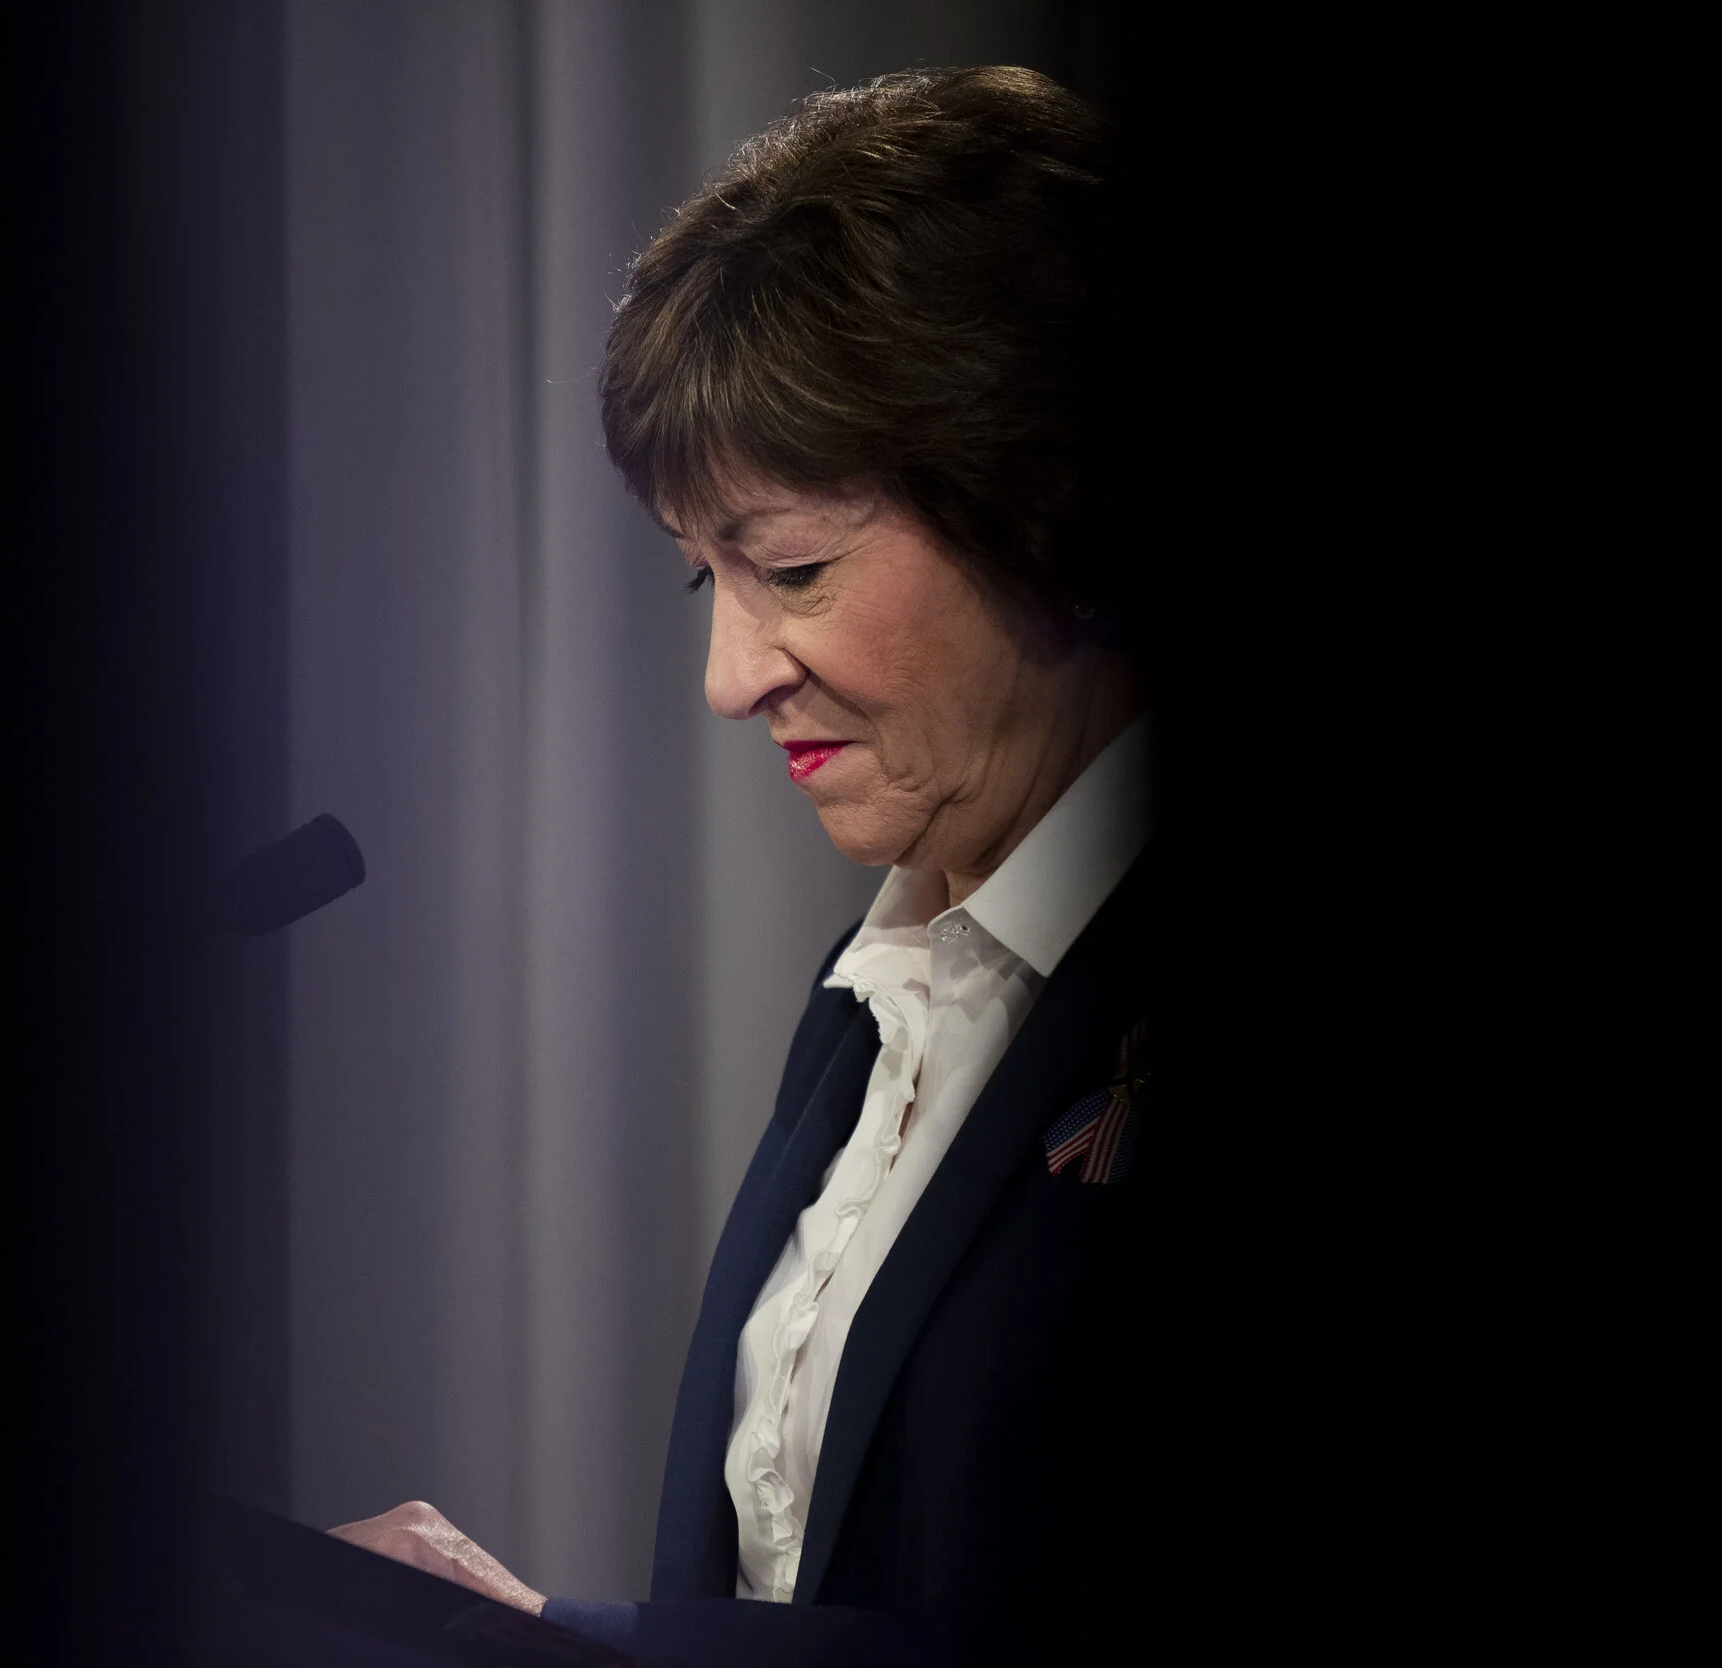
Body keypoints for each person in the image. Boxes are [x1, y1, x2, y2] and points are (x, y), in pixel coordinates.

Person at [334, 66, 1174, 1665]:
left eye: (791, 565)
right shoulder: (887, 988)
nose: (730, 677)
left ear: (1050, 498)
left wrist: (569, 1638)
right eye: (697, 578)